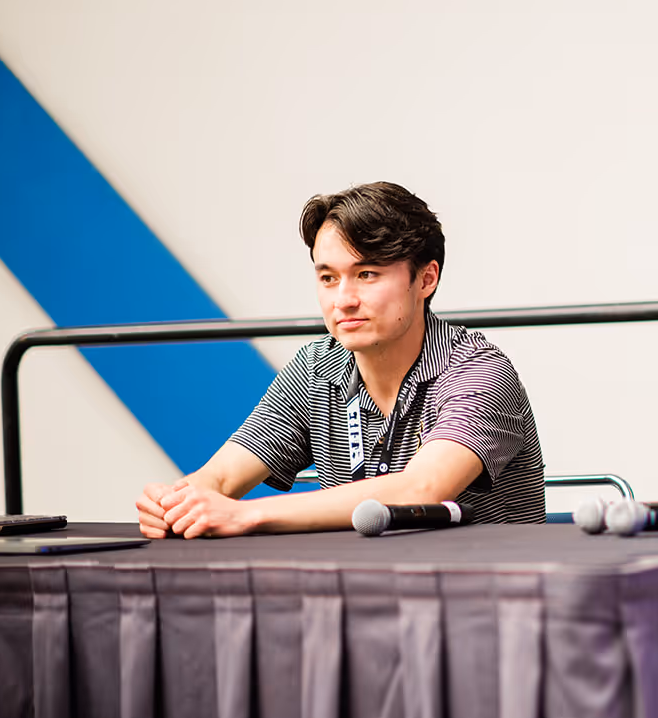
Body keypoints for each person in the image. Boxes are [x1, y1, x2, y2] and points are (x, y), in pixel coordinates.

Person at [134, 182, 545, 538]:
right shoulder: (315, 366)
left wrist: (246, 515)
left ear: (426, 278)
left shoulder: (479, 371)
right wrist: (177, 504)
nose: (344, 300)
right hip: (357, 597)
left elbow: (421, 489)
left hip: (481, 603)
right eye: (328, 277)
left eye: (367, 274)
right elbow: (220, 478)